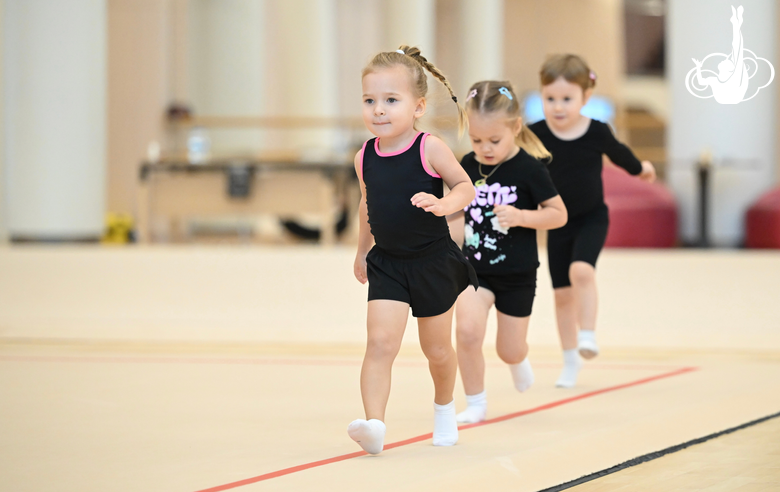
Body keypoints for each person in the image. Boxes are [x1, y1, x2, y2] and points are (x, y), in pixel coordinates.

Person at [348, 45, 478, 455]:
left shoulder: (430, 148)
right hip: (387, 262)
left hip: (431, 263)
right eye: (370, 101)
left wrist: (443, 205)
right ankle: (374, 425)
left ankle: (443, 408)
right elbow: (367, 206)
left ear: (418, 106)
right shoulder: (364, 156)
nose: (378, 110)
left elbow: (465, 188)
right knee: (380, 343)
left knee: (436, 350)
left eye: (391, 100)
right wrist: (360, 251)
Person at [529, 54, 656, 388]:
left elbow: (620, 153)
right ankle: (569, 359)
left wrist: (640, 168)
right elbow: (515, 166)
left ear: (586, 98)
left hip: (591, 217)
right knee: (561, 295)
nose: (558, 107)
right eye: (550, 99)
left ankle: (587, 334)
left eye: (567, 99)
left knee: (581, 271)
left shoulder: (596, 131)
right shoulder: (535, 134)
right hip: (556, 222)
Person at [449, 81, 567, 424]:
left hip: (517, 275)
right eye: (476, 140)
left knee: (509, 349)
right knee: (468, 331)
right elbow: (457, 215)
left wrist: (521, 217)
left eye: (494, 141)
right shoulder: (466, 166)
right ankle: (475, 402)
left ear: (515, 127)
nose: (484, 148)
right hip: (475, 270)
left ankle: (518, 360)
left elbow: (559, 215)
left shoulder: (530, 169)